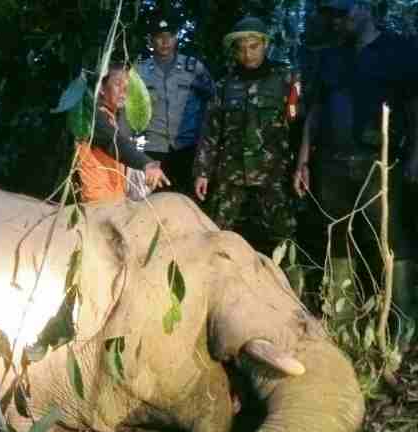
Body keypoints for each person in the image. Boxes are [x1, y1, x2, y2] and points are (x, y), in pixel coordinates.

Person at [293, 0, 418, 351]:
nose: (337, 22)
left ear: (365, 9)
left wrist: (414, 157)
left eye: (343, 14)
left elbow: (413, 105)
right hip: (331, 164)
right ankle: (343, 326)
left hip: (379, 162)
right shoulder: (330, 57)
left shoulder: (398, 51)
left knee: (390, 242)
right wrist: (303, 161)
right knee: (337, 241)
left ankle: (401, 330)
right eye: (331, 15)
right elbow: (314, 110)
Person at [193, 17, 300, 257]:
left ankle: (289, 291)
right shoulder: (224, 85)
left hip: (274, 176)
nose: (248, 54)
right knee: (216, 237)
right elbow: (210, 131)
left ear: (265, 45)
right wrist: (202, 171)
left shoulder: (286, 80)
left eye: (254, 47)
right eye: (241, 48)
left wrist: (301, 167)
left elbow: (298, 128)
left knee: (285, 241)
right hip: (231, 174)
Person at [134, 14, 214, 195]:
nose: (165, 41)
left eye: (169, 36)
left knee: (189, 201)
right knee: (154, 202)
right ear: (151, 40)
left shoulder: (194, 68)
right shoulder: (139, 71)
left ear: (176, 37)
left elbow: (213, 102)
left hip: (188, 147)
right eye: (159, 36)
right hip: (153, 149)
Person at [76, 63, 170, 202]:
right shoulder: (91, 116)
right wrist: (147, 164)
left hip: (114, 200)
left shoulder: (113, 118)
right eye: (118, 84)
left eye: (128, 87)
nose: (124, 91)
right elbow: (114, 142)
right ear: (101, 88)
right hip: (96, 202)